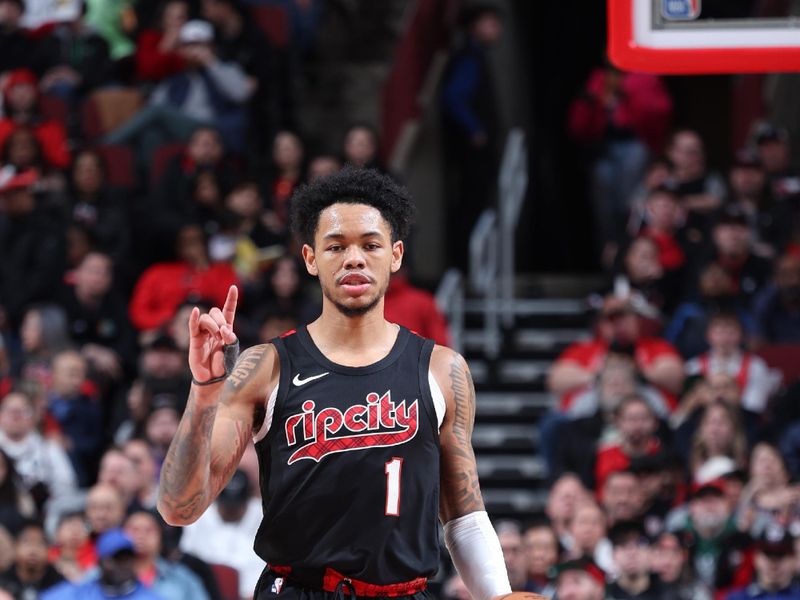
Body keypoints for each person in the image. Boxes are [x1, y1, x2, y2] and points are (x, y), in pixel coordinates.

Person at [156, 167, 522, 600]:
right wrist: (204, 390)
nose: (354, 258)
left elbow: (463, 515)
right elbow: (180, 507)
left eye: (370, 245)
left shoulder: (442, 369)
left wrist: (499, 595)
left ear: (396, 254)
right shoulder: (265, 366)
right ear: (310, 258)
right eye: (336, 246)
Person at [41, 528, 163, 600]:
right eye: (114, 558)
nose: (121, 565)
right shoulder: (80, 593)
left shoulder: (150, 597)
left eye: (126, 558)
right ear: (99, 562)